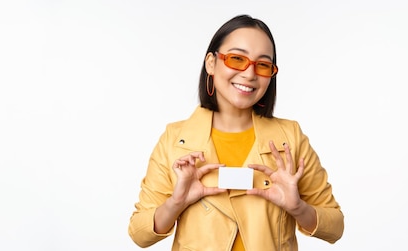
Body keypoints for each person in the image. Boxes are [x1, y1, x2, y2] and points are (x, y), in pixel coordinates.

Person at [128, 14, 344, 251]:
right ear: (211, 62)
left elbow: (335, 227)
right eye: (237, 59)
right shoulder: (175, 139)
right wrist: (176, 202)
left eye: (262, 65)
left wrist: (298, 208)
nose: (250, 74)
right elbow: (140, 234)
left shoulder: (289, 138)